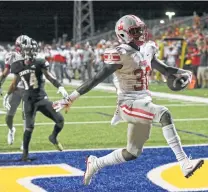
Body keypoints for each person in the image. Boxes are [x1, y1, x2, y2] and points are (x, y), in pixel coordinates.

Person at [53, 15, 204, 185]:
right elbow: (96, 79)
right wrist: (71, 98)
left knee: (132, 152)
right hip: (128, 104)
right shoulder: (121, 54)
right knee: (163, 114)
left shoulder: (147, 49)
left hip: (143, 103)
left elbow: (166, 70)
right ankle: (184, 163)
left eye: (140, 29)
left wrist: (183, 73)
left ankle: (95, 163)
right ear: (123, 34)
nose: (140, 33)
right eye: (135, 31)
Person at [5, 36, 68, 161]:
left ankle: (53, 137)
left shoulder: (40, 62)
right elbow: (14, 83)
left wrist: (60, 86)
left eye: (31, 50)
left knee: (60, 120)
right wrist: (8, 95)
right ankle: (25, 155)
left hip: (41, 97)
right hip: (28, 100)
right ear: (22, 51)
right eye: (27, 50)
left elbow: (49, 76)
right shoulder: (17, 65)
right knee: (29, 127)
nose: (29, 53)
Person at [0, 35, 28, 148]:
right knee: (9, 117)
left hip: (28, 90)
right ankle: (11, 130)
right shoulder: (12, 56)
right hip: (15, 90)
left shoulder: (33, 56)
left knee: (26, 116)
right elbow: (5, 73)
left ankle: (25, 142)